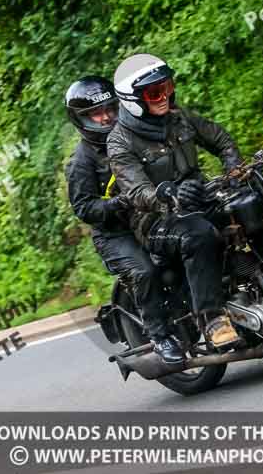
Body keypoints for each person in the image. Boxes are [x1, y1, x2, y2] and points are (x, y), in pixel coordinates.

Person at [107, 53, 242, 353]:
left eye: (167, 87)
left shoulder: (179, 117)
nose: (164, 97)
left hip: (198, 196)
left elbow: (221, 140)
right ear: (133, 99)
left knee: (248, 205)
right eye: (154, 93)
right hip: (155, 222)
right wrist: (168, 196)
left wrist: (233, 173)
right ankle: (213, 320)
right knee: (198, 234)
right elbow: (138, 192)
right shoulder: (120, 142)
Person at [64, 76, 183, 365]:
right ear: (82, 119)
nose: (105, 117)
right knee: (144, 272)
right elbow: (84, 207)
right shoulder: (82, 161)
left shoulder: (134, 136)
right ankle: (160, 336)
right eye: (96, 113)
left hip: (153, 218)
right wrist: (119, 203)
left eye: (110, 109)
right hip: (116, 234)